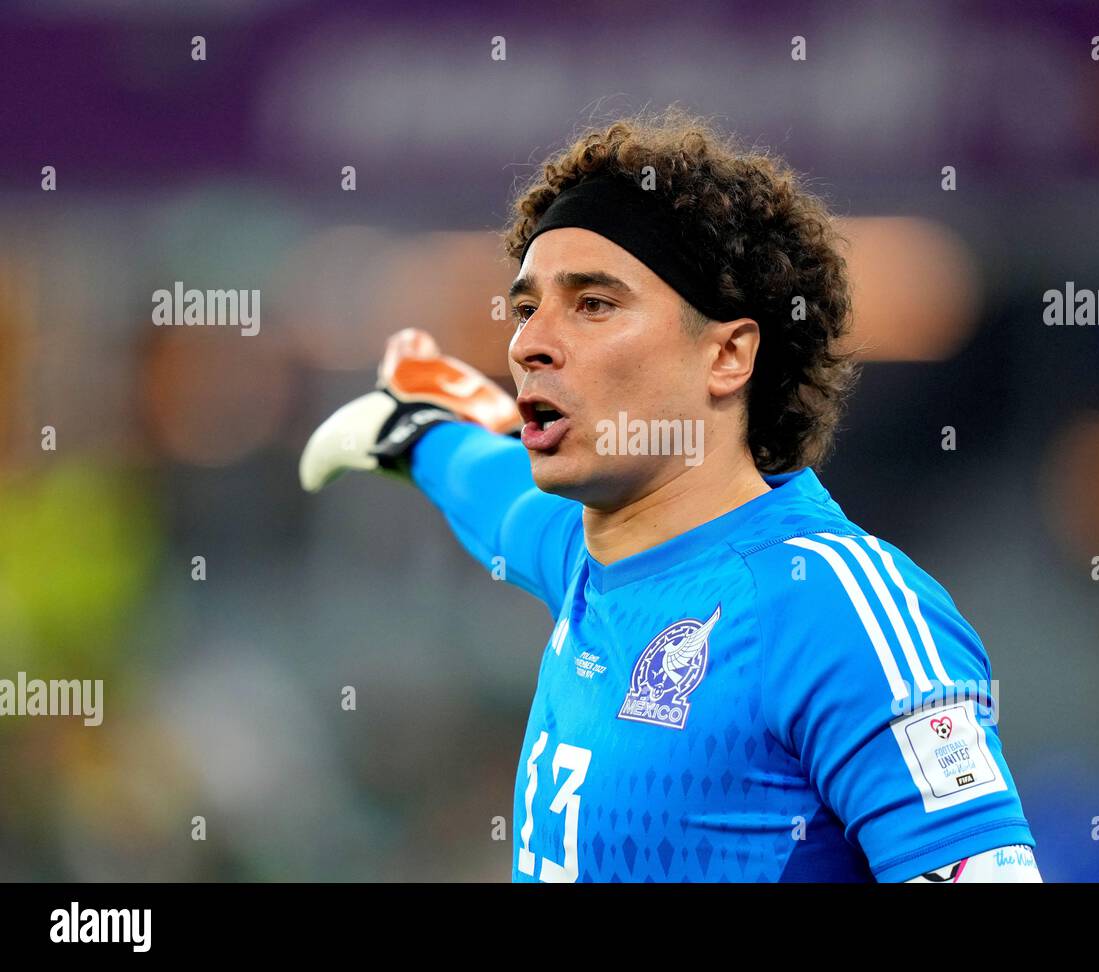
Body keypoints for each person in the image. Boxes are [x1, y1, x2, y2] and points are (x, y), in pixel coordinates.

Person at [300, 110, 1040, 883]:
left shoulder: (828, 609)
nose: (526, 343)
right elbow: (501, 498)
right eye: (527, 308)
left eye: (593, 304)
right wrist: (417, 433)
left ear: (727, 355)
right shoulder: (591, 550)